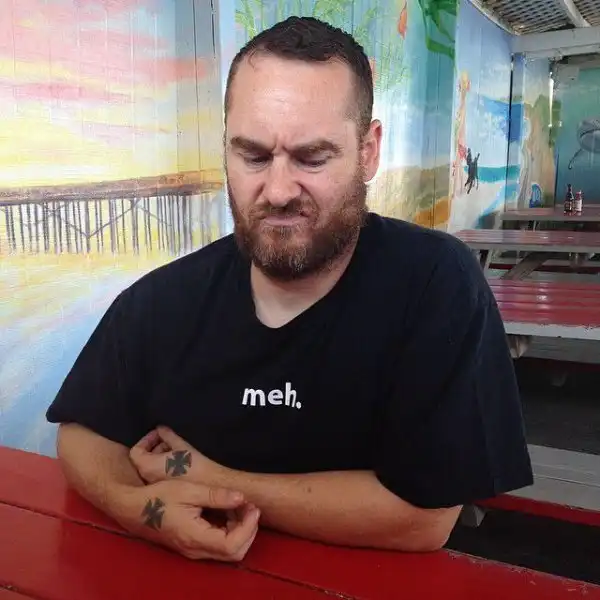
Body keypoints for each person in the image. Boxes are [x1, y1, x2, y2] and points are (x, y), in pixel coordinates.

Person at [46, 16, 533, 562]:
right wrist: (141, 508)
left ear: (368, 151)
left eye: (312, 158)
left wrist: (213, 479)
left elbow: (424, 518)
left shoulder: (434, 283)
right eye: (253, 156)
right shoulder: (164, 300)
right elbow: (83, 432)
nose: (277, 191)